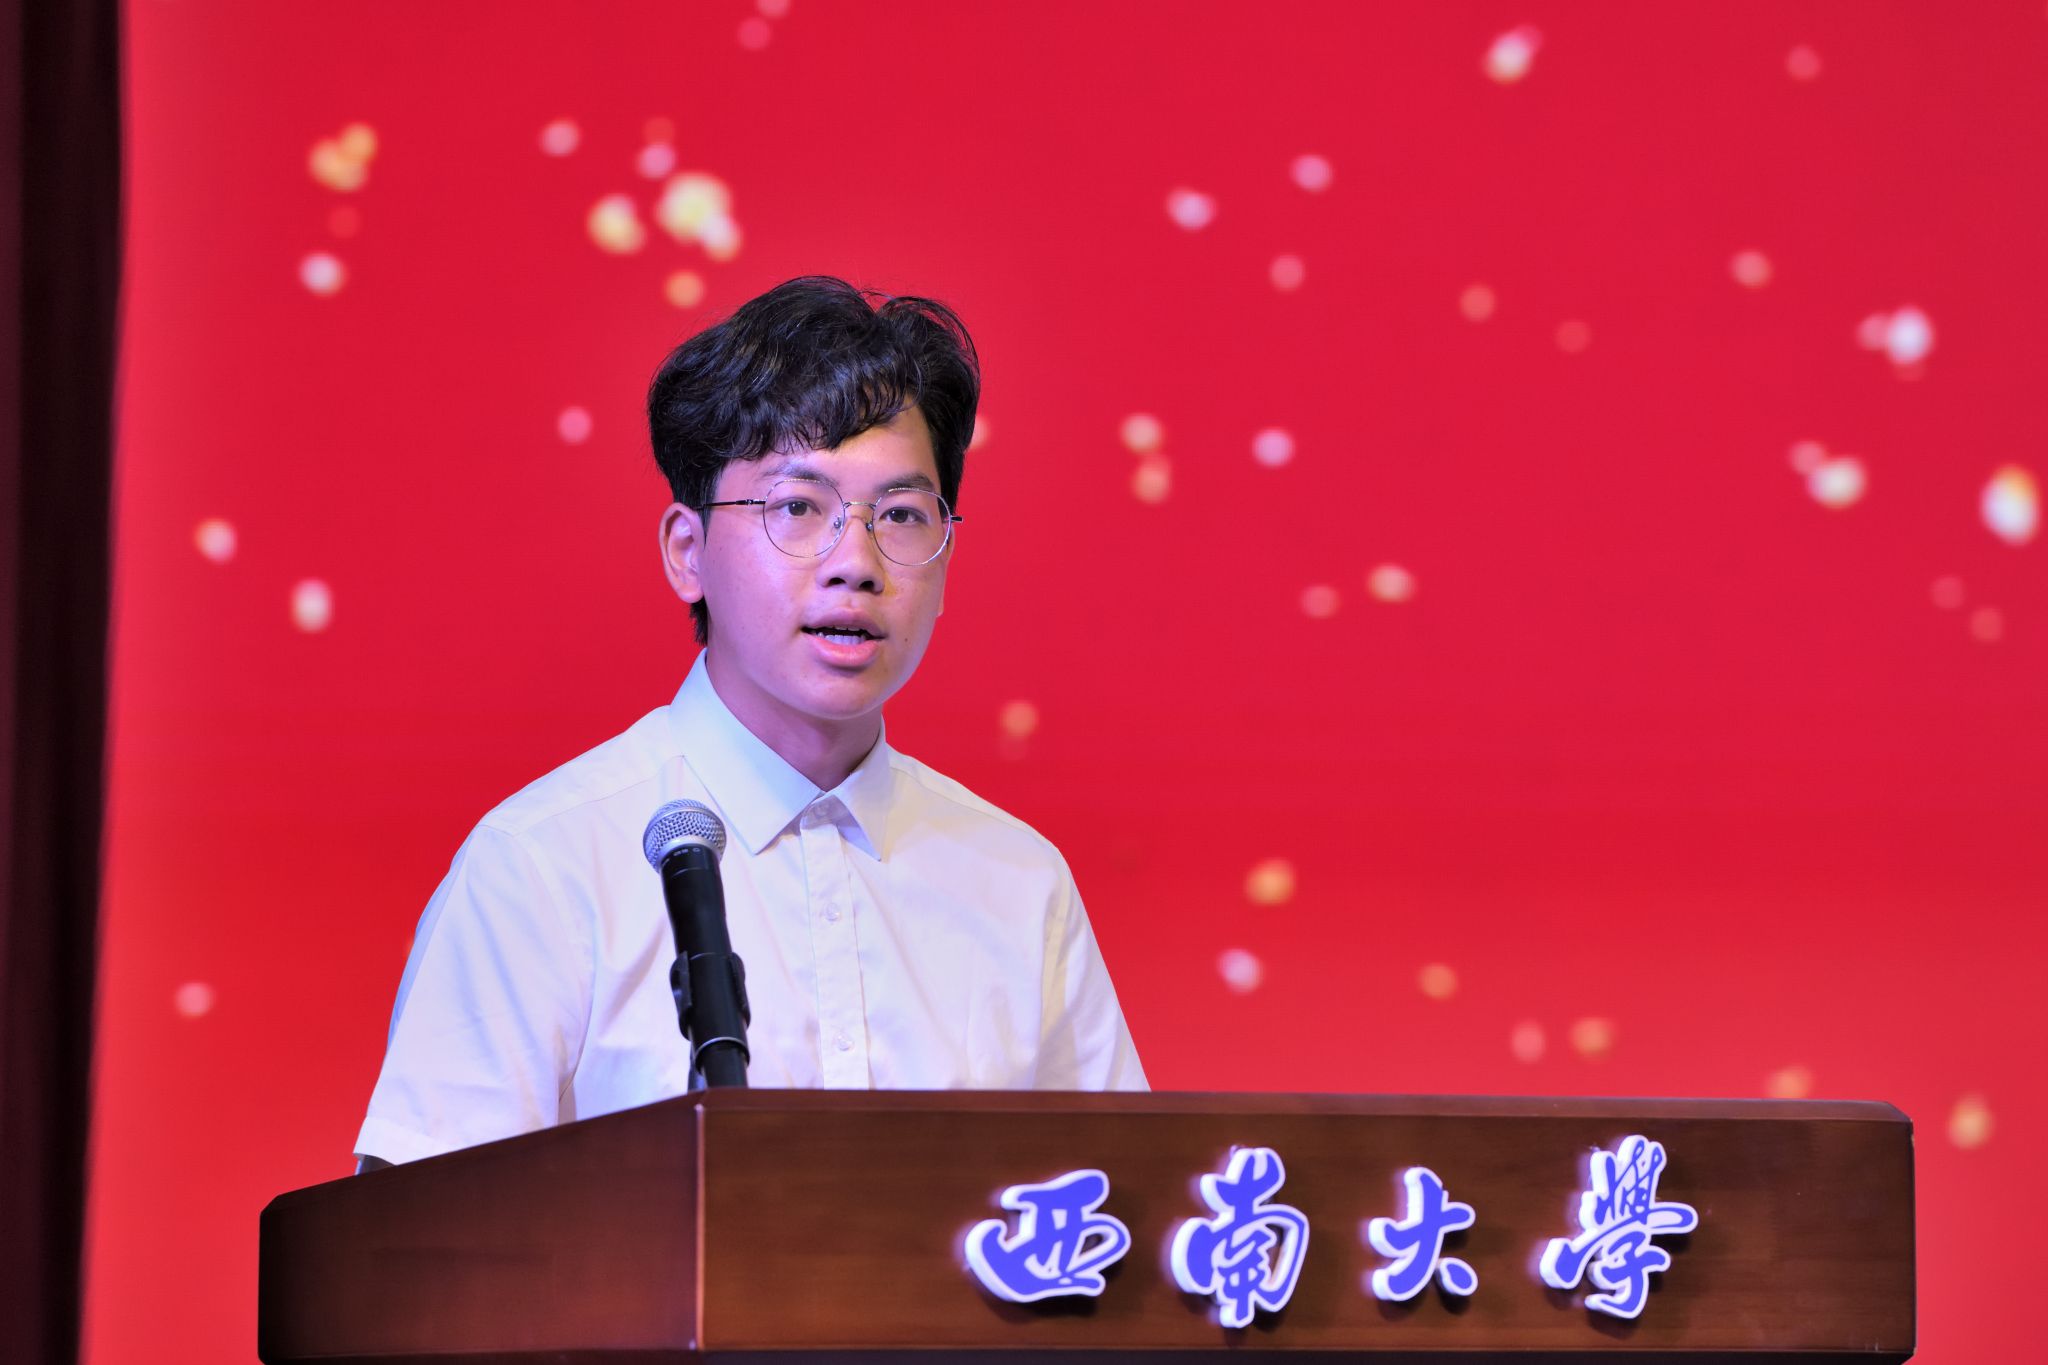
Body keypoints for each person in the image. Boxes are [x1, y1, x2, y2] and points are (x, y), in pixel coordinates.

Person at [353, 276, 1147, 1169]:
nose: (856, 563)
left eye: (900, 515)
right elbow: (417, 1238)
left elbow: (1120, 1213)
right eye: (798, 508)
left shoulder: (1019, 883)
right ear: (687, 552)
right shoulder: (542, 865)